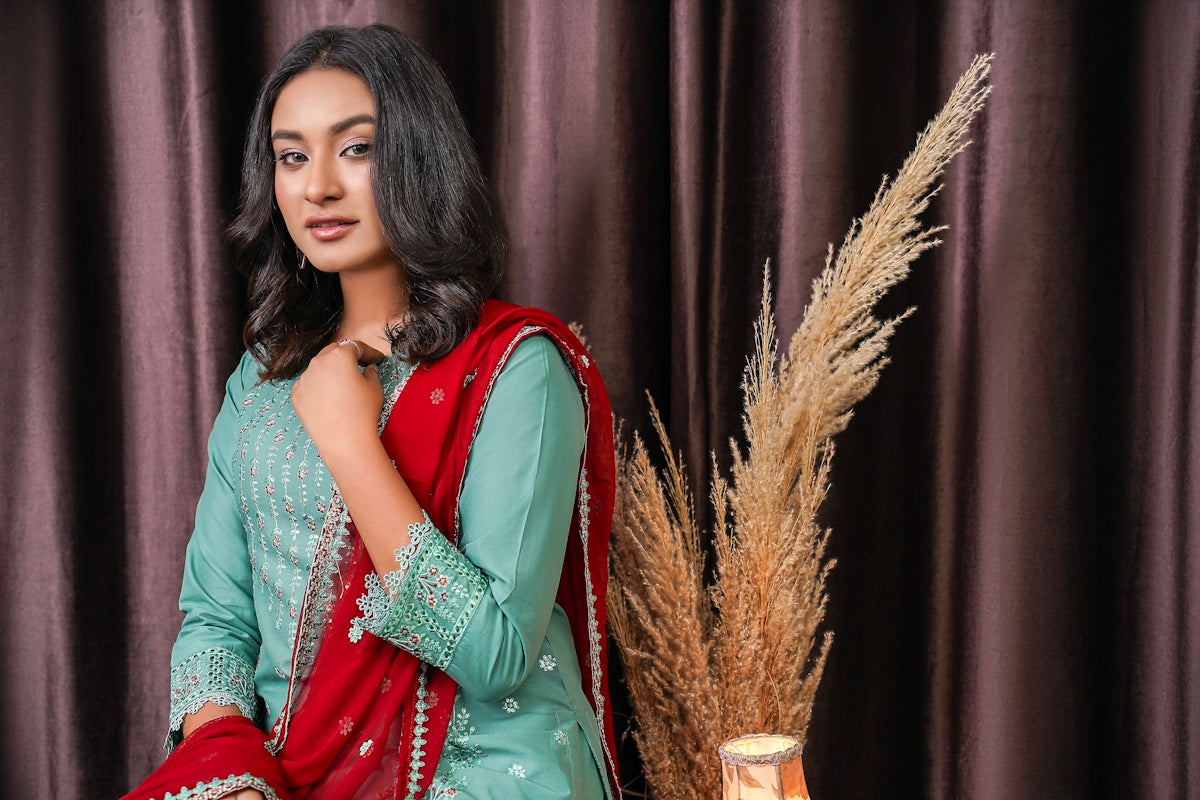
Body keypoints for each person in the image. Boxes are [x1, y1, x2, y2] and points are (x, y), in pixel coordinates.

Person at [123, 24, 619, 800]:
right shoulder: (259, 382)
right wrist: (234, 778)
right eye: (293, 156)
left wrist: (352, 443)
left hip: (486, 773)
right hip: (287, 776)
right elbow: (215, 621)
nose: (318, 185)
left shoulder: (517, 368)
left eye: (356, 149)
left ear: (421, 160)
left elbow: (495, 654)